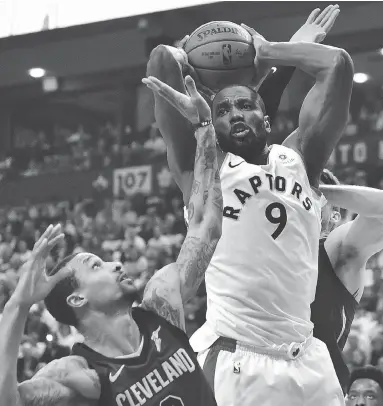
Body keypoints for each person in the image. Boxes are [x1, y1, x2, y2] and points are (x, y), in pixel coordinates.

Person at [143, 6, 354, 405]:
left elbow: (338, 67)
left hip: (308, 358)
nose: (234, 114)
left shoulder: (300, 159)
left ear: (267, 118)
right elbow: (161, 61)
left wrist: (270, 52)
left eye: (244, 105)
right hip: (237, 356)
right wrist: (190, 54)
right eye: (222, 110)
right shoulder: (203, 168)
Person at [0, 83, 223, 406]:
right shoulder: (79, 375)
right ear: (77, 298)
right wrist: (17, 305)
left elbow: (206, 225)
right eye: (96, 265)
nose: (115, 263)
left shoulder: (161, 304)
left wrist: (204, 130)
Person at [311, 169, 383, 394]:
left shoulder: (334, 249)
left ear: (334, 217)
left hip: (315, 389)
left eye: (317, 201)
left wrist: (311, 190)